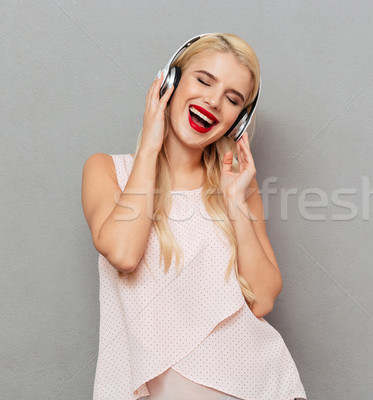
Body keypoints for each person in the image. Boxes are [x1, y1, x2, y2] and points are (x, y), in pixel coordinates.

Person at [81, 33, 307, 400]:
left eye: (233, 99)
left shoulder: (240, 188)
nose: (214, 102)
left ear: (239, 119)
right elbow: (123, 254)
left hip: (251, 386)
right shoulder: (107, 171)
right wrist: (152, 146)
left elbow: (263, 299)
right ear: (170, 83)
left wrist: (235, 202)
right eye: (204, 80)